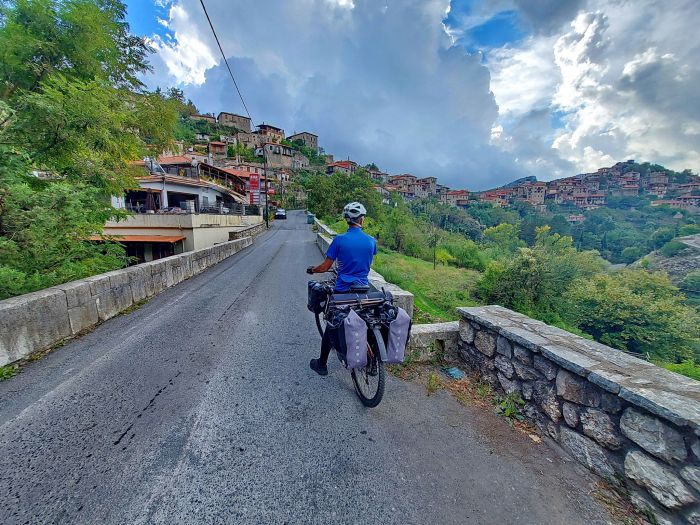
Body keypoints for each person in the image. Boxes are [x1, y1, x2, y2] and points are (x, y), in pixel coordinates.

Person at [305, 202, 377, 376]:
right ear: (361, 219)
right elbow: (367, 262)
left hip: (343, 291)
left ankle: (321, 365)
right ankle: (373, 364)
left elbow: (325, 266)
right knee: (367, 321)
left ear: (348, 220)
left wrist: (313, 269)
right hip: (363, 289)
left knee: (332, 325)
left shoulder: (339, 240)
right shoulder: (371, 241)